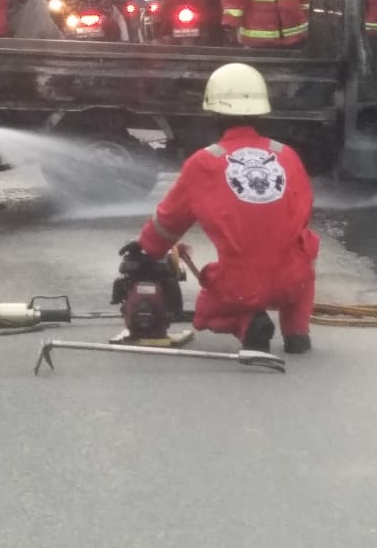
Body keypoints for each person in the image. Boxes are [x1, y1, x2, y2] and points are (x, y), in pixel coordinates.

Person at [126, 63, 317, 354]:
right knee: (305, 249)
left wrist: (145, 249)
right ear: (262, 111)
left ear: (214, 114)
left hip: (240, 286)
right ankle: (297, 335)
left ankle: (248, 324)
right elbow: (302, 212)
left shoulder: (204, 163)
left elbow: (169, 221)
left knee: (206, 314)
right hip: (293, 281)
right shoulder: (286, 155)